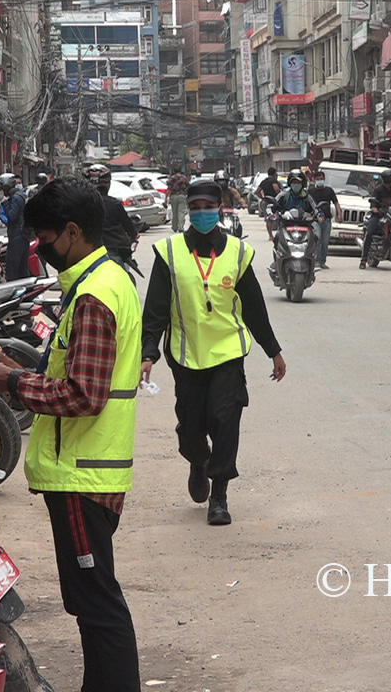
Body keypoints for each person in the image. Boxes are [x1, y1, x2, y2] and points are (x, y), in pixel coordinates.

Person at [0, 177, 142, 692]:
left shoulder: (95, 296)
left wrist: (11, 381)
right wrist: (15, 372)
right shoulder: (100, 282)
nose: (39, 248)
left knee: (97, 603)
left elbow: (85, 395)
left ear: (71, 231)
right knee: (92, 600)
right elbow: (72, 378)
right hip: (84, 470)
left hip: (84, 475)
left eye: (45, 237)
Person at [140, 177, 286, 526]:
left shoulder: (237, 251)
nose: (202, 213)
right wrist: (148, 352)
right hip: (186, 355)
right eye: (196, 208)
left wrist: (273, 350)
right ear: (188, 210)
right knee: (191, 429)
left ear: (220, 208)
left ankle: (218, 494)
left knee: (225, 420)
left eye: (209, 207)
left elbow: (253, 306)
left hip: (227, 353)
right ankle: (197, 461)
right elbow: (157, 308)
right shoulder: (170, 252)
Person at [85, 164, 139, 277]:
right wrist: (133, 235)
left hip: (85, 255)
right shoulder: (114, 204)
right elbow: (129, 228)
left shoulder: (78, 205)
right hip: (112, 251)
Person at [361, 170, 391, 269]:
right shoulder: (378, 190)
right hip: (379, 215)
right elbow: (373, 204)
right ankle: (363, 259)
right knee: (370, 232)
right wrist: (376, 210)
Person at [307, 170, 342, 269]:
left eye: (321, 179)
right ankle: (317, 260)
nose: (319, 181)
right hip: (315, 220)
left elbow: (336, 203)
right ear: (314, 180)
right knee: (317, 238)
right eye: (317, 179)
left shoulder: (329, 191)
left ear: (324, 179)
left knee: (325, 241)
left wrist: (340, 214)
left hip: (327, 220)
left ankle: (323, 261)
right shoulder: (310, 192)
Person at [0, 173, 30, 280]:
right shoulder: (18, 196)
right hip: (21, 237)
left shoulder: (16, 198)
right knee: (21, 270)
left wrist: (4, 203)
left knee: (13, 270)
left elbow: (11, 216)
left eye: (1, 188)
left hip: (18, 237)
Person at [256, 167, 283, 241]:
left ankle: (270, 235)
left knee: (269, 219)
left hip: (266, 201)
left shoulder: (264, 181)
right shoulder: (273, 180)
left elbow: (257, 191)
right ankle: (280, 234)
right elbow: (277, 189)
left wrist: (262, 198)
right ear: (275, 173)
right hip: (275, 202)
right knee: (280, 217)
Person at [167, 166, 191, 232]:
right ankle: (181, 227)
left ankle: (174, 227)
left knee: (174, 212)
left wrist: (166, 198)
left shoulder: (171, 178)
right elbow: (188, 188)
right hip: (182, 196)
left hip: (173, 196)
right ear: (180, 171)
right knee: (181, 212)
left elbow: (169, 188)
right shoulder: (184, 178)